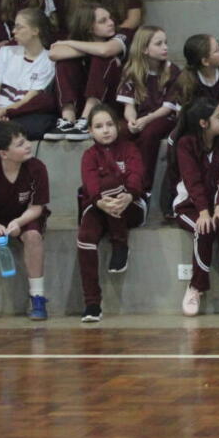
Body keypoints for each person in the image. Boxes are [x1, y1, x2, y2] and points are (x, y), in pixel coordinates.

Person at [172, 98, 219, 317]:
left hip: (216, 205)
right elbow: (192, 181)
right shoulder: (186, 144)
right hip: (188, 206)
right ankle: (196, 287)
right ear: (203, 123)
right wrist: (203, 211)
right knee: (203, 227)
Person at [76, 104, 145, 322]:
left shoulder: (130, 149)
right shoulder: (89, 155)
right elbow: (90, 184)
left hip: (131, 206)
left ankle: (120, 243)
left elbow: (137, 176)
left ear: (118, 126)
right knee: (85, 237)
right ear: (90, 131)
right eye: (98, 126)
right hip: (99, 205)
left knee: (111, 183)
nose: (105, 130)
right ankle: (92, 304)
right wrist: (100, 202)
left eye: (109, 124)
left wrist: (129, 196)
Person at [0, 120, 51, 320]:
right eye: (20, 144)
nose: (27, 145)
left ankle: (37, 297)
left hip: (25, 215)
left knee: (33, 236)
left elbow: (37, 207)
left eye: (26, 140)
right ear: (3, 153)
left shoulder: (37, 168)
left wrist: (18, 222)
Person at [46, 4, 128, 141]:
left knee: (101, 58)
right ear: (89, 27)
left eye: (110, 18)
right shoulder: (80, 42)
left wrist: (69, 43)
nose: (111, 23)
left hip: (112, 100)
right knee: (64, 62)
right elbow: (54, 53)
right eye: (103, 21)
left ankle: (87, 119)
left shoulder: (122, 36)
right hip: (82, 98)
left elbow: (105, 50)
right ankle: (68, 120)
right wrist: (89, 49)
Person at [116, 25, 179, 195]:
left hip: (164, 118)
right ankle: (120, 179)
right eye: (159, 44)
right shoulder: (132, 71)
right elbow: (129, 106)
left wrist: (146, 120)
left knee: (149, 133)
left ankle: (143, 186)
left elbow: (167, 108)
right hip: (141, 116)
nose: (165, 47)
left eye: (166, 43)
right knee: (121, 131)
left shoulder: (172, 71)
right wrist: (132, 121)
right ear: (144, 49)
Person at [0, 9, 57, 140]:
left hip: (18, 113)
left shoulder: (48, 60)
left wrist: (2, 113)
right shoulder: (5, 52)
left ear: (35, 31)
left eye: (19, 27)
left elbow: (27, 99)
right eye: (14, 27)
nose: (13, 31)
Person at [173, 34, 219, 144]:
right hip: (202, 124)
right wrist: (207, 128)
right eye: (217, 50)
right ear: (205, 61)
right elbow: (181, 115)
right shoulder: (187, 81)